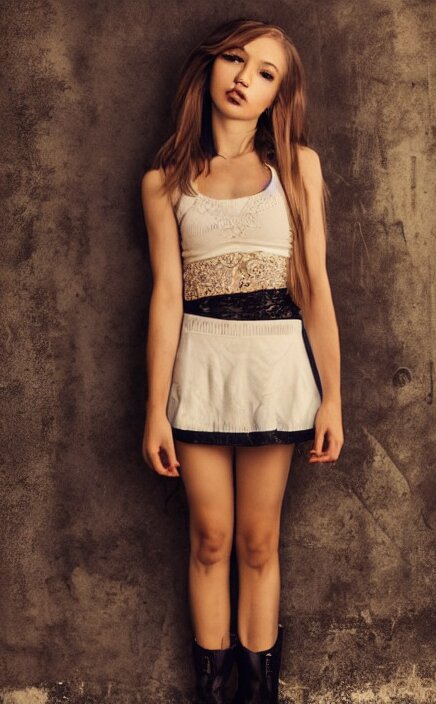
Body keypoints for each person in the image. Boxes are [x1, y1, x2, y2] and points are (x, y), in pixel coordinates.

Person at [141, 17, 344, 704]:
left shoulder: (297, 168)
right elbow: (166, 298)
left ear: (277, 96)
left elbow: (315, 288)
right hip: (200, 372)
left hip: (274, 372)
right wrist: (156, 411)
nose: (243, 78)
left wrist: (332, 397)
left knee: (259, 542)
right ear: (210, 67)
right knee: (210, 537)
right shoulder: (165, 182)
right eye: (234, 59)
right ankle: (212, 691)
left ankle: (260, 694)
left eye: (264, 73)